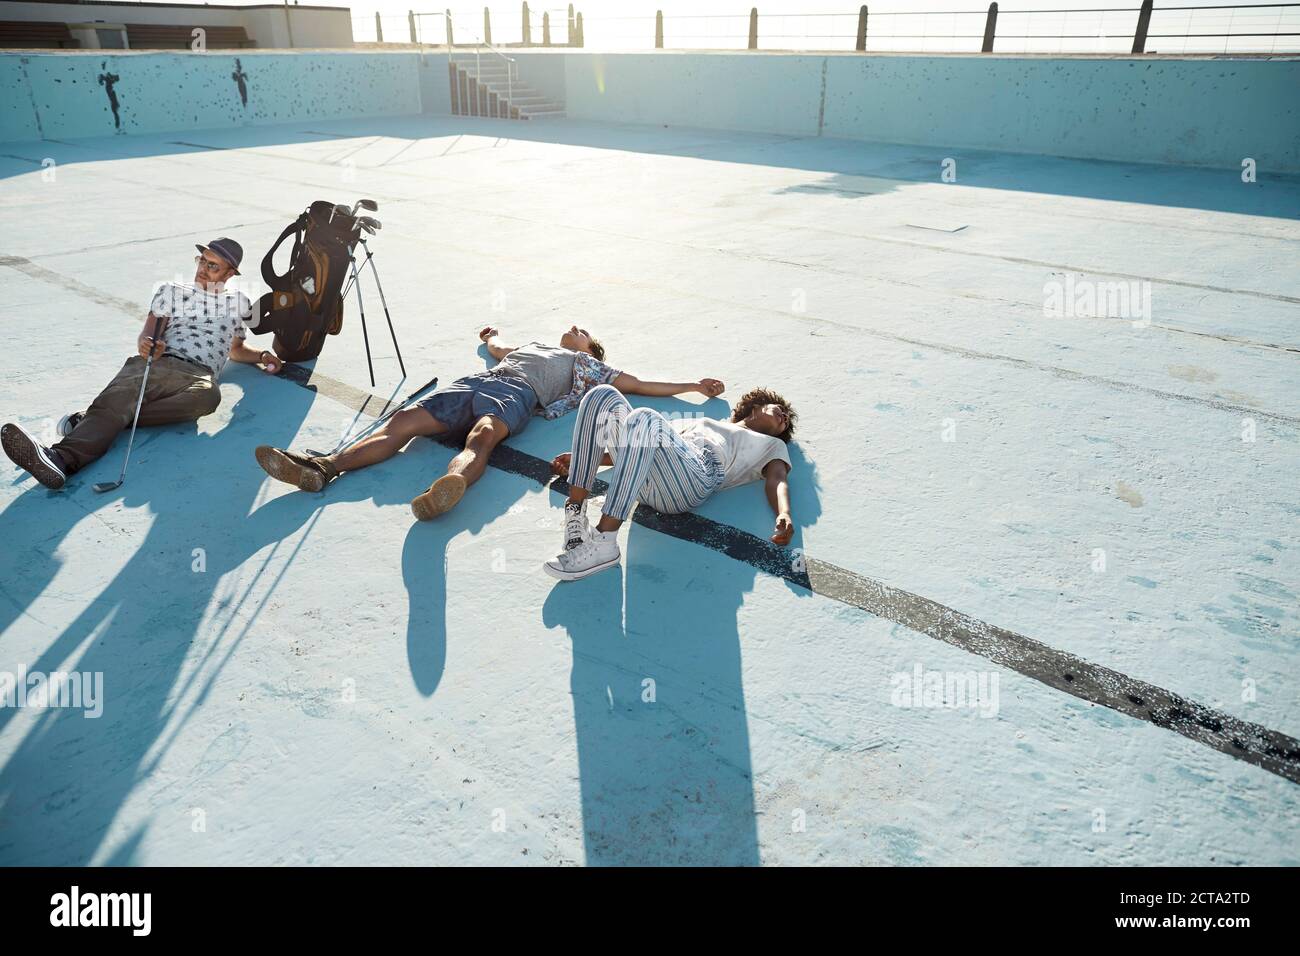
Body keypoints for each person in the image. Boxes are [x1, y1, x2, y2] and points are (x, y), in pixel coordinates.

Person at [254, 325, 726, 521]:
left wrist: (692, 386)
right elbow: (498, 349)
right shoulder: (533, 344)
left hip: (515, 394)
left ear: (590, 346)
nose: (574, 326)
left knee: (483, 437)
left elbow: (641, 384)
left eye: (583, 329)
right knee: (403, 422)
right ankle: (323, 468)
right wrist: (492, 335)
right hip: (479, 380)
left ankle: (448, 487)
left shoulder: (590, 367)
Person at [1, 238, 282, 490]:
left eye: (213, 266)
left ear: (231, 273)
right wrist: (150, 344)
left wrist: (262, 356)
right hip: (161, 363)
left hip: (200, 378)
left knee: (211, 397)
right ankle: (60, 459)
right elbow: (148, 335)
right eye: (202, 261)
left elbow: (235, 350)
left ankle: (91, 420)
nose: (202, 269)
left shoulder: (238, 303)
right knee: (127, 394)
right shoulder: (171, 291)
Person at [543, 384, 797, 581]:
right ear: (755, 407)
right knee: (601, 395)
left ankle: (605, 541)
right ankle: (575, 515)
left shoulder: (772, 445)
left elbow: (777, 478)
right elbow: (641, 442)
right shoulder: (702, 422)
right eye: (779, 410)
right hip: (647, 477)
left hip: (695, 477)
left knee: (644, 418)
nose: (784, 416)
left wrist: (783, 512)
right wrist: (586, 459)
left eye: (785, 420)